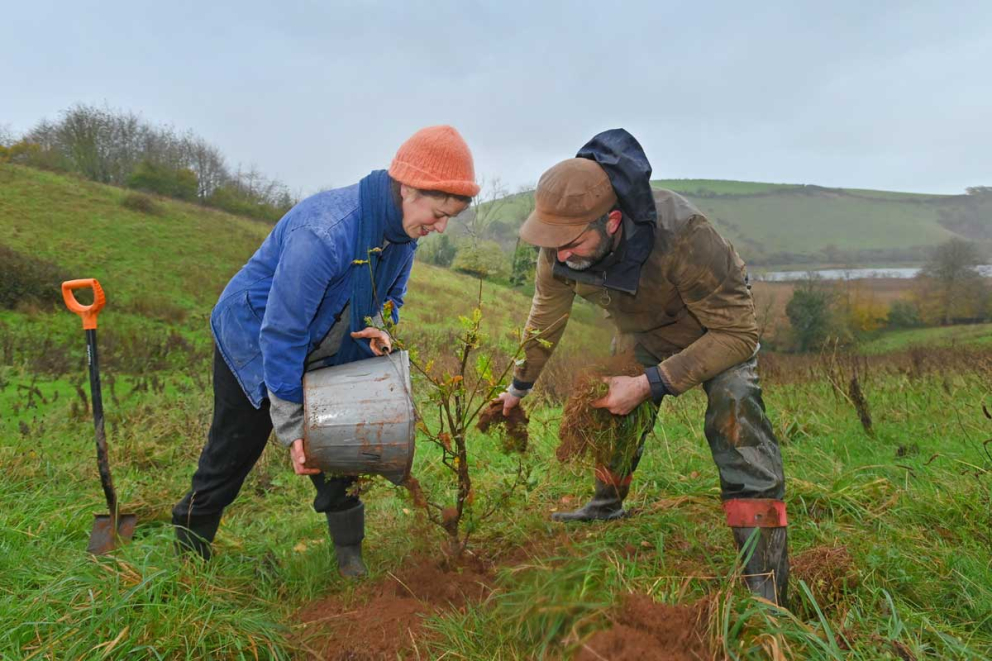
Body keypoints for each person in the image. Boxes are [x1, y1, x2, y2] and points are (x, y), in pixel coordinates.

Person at [497, 129, 789, 605]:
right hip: (643, 330)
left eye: (569, 243)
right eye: (552, 244)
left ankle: (766, 581)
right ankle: (605, 505)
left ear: (612, 221)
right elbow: (545, 318)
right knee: (609, 397)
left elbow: (738, 334)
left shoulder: (685, 235)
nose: (560, 255)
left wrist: (652, 384)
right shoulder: (559, 249)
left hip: (713, 328)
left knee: (736, 419)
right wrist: (518, 387)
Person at [173, 126, 478, 577]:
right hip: (256, 338)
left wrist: (379, 325)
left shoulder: (402, 236)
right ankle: (190, 555)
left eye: (449, 217)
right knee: (233, 451)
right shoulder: (325, 233)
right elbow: (282, 330)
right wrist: (294, 425)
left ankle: (349, 559)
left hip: (329, 342)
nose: (440, 227)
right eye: (437, 213)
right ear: (407, 187)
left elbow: (393, 297)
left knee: (342, 446)